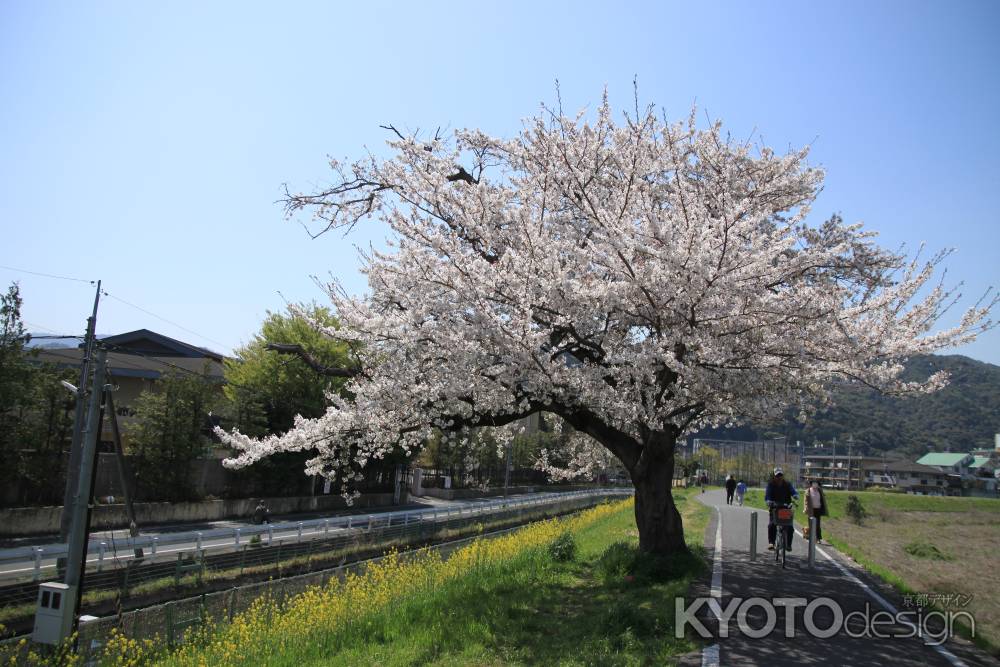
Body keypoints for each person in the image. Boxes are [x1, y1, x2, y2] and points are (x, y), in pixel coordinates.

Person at [764, 468, 798, 551]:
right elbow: (768, 495)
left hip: (786, 508)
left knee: (790, 527)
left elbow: (793, 491)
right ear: (774, 476)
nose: (779, 477)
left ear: (783, 476)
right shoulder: (771, 485)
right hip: (775, 508)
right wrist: (768, 501)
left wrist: (795, 495)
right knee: (772, 525)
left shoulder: (787, 484)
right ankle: (771, 542)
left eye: (780, 475)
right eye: (777, 475)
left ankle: (788, 545)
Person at [803, 479, 829, 545]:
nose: (815, 484)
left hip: (818, 509)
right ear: (811, 484)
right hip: (811, 510)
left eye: (816, 483)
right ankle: (810, 536)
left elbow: (823, 500)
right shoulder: (808, 491)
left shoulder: (820, 491)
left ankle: (818, 538)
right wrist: (806, 508)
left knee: (817, 525)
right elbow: (806, 501)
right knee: (811, 524)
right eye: (814, 483)